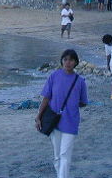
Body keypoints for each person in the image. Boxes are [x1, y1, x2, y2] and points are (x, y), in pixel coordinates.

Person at [35, 49, 88, 178]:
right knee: (57, 155)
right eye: (65, 59)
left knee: (65, 154)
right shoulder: (54, 76)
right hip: (55, 120)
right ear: (62, 61)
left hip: (71, 121)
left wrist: (72, 103)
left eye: (71, 60)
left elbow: (83, 102)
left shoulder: (80, 81)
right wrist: (38, 116)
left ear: (75, 62)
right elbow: (46, 98)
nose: (68, 62)